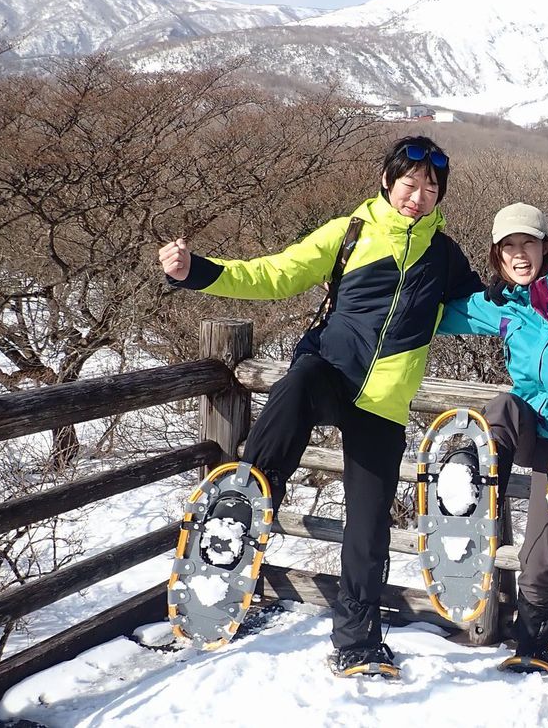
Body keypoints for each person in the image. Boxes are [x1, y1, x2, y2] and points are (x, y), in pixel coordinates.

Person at [157, 136, 482, 677]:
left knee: (369, 526)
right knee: (299, 380)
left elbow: (482, 308)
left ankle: (357, 641)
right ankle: (248, 499)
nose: (418, 196)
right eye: (409, 184)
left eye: (430, 188)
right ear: (386, 181)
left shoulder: (444, 256)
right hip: (332, 370)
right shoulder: (349, 232)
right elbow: (276, 273)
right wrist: (197, 270)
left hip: (384, 402)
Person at [436, 202, 548, 672]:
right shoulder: (501, 305)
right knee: (500, 405)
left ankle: (535, 646)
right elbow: (436, 316)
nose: (519, 255)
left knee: (536, 556)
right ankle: (470, 470)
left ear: (546, 247)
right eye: (508, 247)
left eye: (527, 244)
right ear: (497, 257)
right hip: (521, 428)